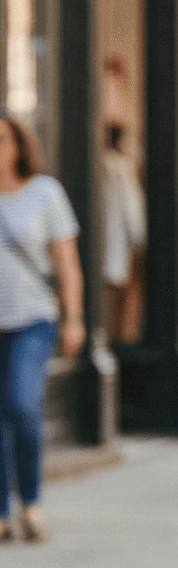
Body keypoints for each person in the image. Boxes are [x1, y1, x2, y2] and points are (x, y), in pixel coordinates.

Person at [0, 114, 85, 543]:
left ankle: (31, 500)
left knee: (21, 404)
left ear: (18, 145)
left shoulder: (44, 193)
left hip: (32, 319)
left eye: (1, 140)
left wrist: (73, 317)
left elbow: (67, 263)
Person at [102, 122, 146, 344]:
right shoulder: (120, 166)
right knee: (117, 298)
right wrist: (141, 239)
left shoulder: (100, 162)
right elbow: (132, 208)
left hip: (104, 241)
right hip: (117, 241)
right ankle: (116, 342)